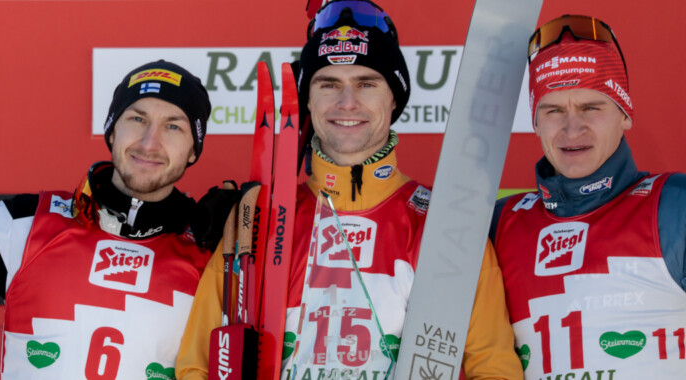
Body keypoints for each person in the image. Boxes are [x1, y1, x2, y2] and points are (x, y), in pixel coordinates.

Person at [176, 1, 522, 379]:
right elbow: (197, 365)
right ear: (307, 99)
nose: (347, 102)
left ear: (394, 98)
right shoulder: (256, 225)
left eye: (366, 83)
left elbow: (492, 367)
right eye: (329, 84)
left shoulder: (445, 227)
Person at [0, 60, 224, 379]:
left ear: (193, 150)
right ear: (111, 130)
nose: (151, 143)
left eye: (173, 126)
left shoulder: (214, 251)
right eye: (137, 119)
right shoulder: (25, 224)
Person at [490, 15, 686, 379]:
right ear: (535, 122)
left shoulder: (675, 206)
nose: (572, 128)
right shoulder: (499, 224)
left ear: (625, 113)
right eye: (553, 110)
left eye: (591, 108)